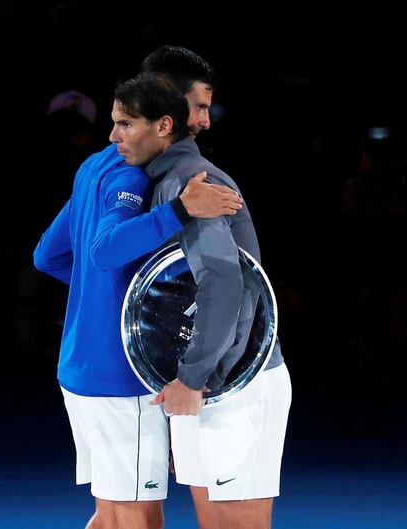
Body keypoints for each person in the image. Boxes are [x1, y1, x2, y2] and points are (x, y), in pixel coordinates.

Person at [33, 59, 243, 529]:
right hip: (120, 378)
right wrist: (180, 209)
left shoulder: (92, 168)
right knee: (137, 520)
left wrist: (110, 297)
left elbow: (47, 257)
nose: (114, 135)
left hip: (79, 370)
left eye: (123, 123)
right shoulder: (132, 178)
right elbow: (105, 250)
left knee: (110, 518)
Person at [108, 73, 291, 529]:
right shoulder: (166, 179)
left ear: (164, 122)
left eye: (125, 123)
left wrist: (193, 378)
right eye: (198, 107)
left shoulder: (190, 181)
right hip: (206, 380)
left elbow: (227, 283)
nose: (202, 121)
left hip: (230, 381)